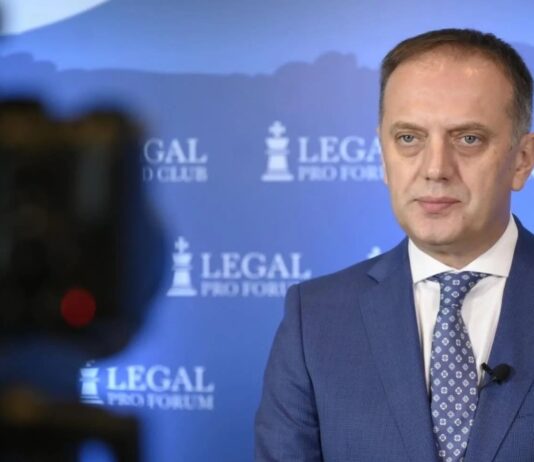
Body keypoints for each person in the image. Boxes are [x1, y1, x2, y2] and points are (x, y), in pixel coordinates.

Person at [255, 28, 534, 462]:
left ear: (521, 160)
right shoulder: (315, 319)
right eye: (409, 138)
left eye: (468, 138)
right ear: (384, 157)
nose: (435, 168)